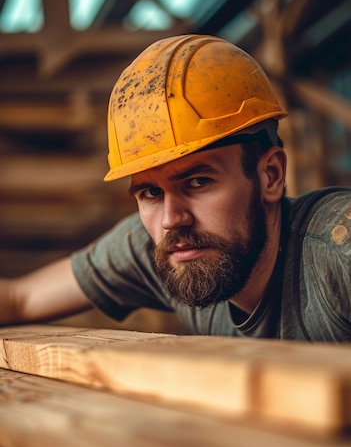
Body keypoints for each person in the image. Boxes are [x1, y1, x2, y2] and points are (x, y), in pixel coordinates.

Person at [1, 34, 351, 341]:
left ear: (270, 176)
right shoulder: (162, 247)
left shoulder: (338, 256)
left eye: (198, 182)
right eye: (150, 192)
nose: (172, 219)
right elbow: (20, 298)